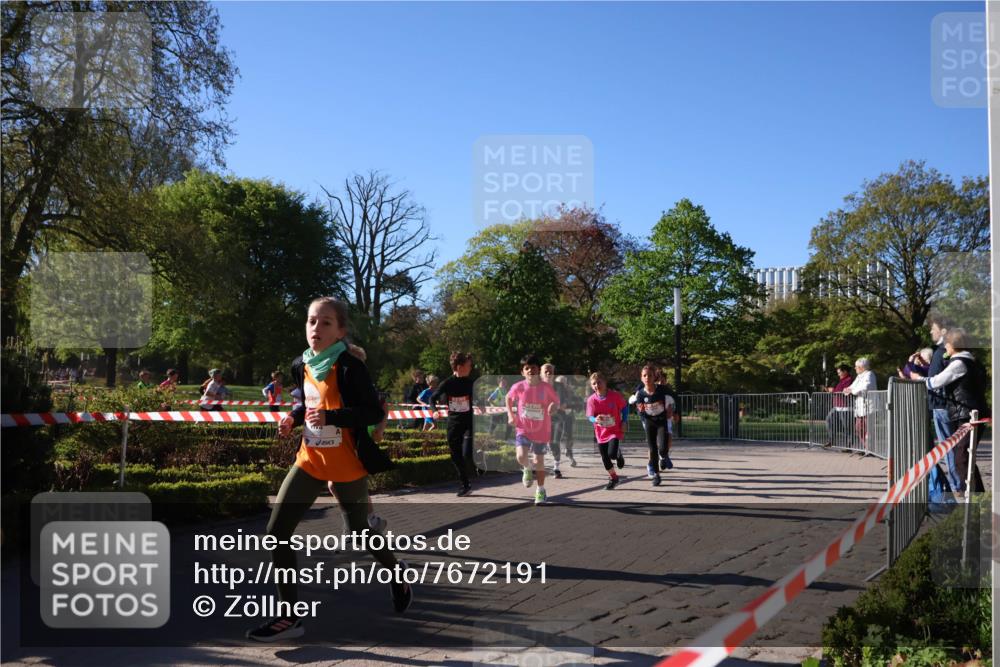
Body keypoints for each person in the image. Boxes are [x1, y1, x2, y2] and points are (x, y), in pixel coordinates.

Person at [247, 297, 411, 642]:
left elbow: (371, 412)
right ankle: (289, 618)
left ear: (340, 331)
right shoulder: (301, 363)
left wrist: (332, 417)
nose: (316, 329)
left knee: (360, 533)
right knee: (276, 531)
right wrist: (292, 418)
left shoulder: (350, 367)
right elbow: (307, 402)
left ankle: (396, 573)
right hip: (309, 459)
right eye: (311, 321)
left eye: (325, 323)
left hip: (346, 463)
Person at [924, 327, 987, 498]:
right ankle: (979, 498)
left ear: (953, 345)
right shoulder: (969, 361)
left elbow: (936, 382)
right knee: (965, 457)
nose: (945, 347)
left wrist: (919, 380)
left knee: (962, 458)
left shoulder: (959, 363)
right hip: (969, 413)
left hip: (968, 414)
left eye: (947, 344)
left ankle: (976, 499)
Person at [506, 354, 560, 505]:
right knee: (520, 456)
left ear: (538, 370)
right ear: (522, 372)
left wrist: (553, 406)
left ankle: (540, 490)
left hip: (541, 430)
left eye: (533, 368)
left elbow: (556, 401)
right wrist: (510, 414)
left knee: (539, 461)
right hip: (523, 428)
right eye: (527, 368)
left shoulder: (546, 387)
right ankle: (527, 468)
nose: (530, 370)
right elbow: (508, 398)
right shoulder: (518, 387)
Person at [431, 351, 477, 497]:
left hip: (469, 422)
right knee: (455, 454)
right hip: (454, 423)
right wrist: (435, 411)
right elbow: (432, 399)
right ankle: (465, 484)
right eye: (468, 365)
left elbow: (478, 398)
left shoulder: (471, 383)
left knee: (467, 453)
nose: (471, 368)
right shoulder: (447, 383)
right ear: (459, 367)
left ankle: (480, 464)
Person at [926, 314, 960, 490]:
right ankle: (958, 483)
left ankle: (957, 484)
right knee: (951, 448)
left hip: (942, 406)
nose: (931, 331)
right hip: (943, 405)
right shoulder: (943, 352)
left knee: (948, 448)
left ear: (943, 331)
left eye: (934, 328)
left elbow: (937, 380)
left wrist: (920, 380)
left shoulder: (942, 352)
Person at [633, 364, 674, 486]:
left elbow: (673, 398)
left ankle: (664, 456)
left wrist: (673, 411)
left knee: (663, 448)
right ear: (641, 378)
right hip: (649, 422)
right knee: (652, 449)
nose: (647, 378)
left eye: (650, 375)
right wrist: (641, 411)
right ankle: (656, 475)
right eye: (644, 375)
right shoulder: (640, 394)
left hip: (661, 421)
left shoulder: (661, 389)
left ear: (654, 377)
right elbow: (640, 410)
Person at [587, 372, 629, 490]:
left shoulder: (614, 396)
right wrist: (595, 419)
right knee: (605, 457)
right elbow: (589, 416)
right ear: (591, 386)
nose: (597, 385)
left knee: (612, 454)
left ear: (605, 383)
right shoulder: (591, 400)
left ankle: (618, 454)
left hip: (614, 431)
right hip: (601, 433)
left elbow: (625, 408)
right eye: (594, 384)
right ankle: (614, 478)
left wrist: (624, 421)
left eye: (599, 382)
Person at [843, 358, 877, 454]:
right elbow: (852, 386)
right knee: (859, 429)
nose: (855, 368)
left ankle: (870, 450)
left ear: (861, 367)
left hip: (869, 407)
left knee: (869, 430)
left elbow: (866, 386)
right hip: (860, 408)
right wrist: (847, 389)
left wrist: (852, 391)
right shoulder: (859, 376)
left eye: (856, 367)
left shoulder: (870, 374)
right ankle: (866, 447)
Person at [541, 364, 568, 478]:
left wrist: (557, 405)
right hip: (542, 419)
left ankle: (556, 468)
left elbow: (565, 402)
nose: (548, 373)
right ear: (541, 373)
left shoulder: (559, 386)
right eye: (546, 371)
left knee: (555, 442)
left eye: (550, 371)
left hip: (558, 418)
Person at [823, 364, 854, 447]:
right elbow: (838, 390)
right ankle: (831, 440)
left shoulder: (849, 380)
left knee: (847, 426)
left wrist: (832, 390)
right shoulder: (841, 380)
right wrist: (830, 390)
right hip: (837, 406)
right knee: (829, 420)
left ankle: (848, 445)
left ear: (845, 372)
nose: (838, 374)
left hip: (846, 407)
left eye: (839, 372)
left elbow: (844, 391)